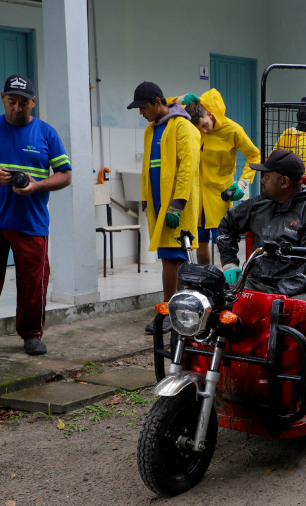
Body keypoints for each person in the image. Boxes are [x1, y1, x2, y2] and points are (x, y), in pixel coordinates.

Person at [0, 74, 72, 361]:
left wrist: (37, 185)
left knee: (33, 282)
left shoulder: (46, 133)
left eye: (23, 103)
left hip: (30, 223)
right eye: (11, 102)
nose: (16, 108)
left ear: (33, 102)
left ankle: (31, 334)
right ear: (2, 99)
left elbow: (65, 175)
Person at [217, 149, 306, 318]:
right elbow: (227, 225)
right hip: (259, 282)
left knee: (295, 314)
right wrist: (229, 263)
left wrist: (275, 295)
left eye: (266, 175)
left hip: (305, 288)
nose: (262, 180)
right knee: (216, 302)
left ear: (284, 182)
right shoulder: (260, 204)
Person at [127, 81, 201, 334]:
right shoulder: (151, 130)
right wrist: (148, 201)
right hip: (160, 207)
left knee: (179, 259)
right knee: (167, 259)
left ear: (158, 103)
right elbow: (150, 169)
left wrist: (176, 205)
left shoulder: (183, 127)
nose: (141, 112)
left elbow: (187, 169)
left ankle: (177, 312)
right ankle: (169, 309)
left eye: (144, 107)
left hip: (178, 208)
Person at [179, 89, 260, 266]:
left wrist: (243, 183)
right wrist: (180, 99)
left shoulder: (233, 130)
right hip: (197, 197)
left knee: (224, 242)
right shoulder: (195, 125)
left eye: (204, 125)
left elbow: (254, 155)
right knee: (199, 243)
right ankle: (204, 282)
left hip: (219, 195)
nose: (203, 131)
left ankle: (228, 283)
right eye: (199, 129)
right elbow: (166, 106)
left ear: (209, 113)